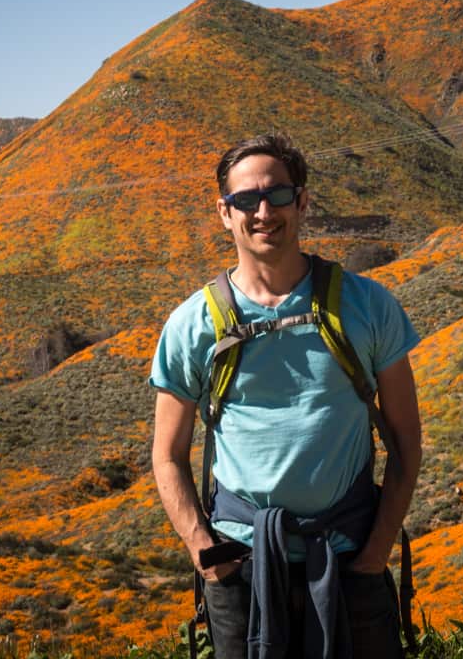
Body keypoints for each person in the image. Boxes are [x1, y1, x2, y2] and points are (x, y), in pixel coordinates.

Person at [150, 133, 422, 659]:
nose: (263, 212)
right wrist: (205, 553)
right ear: (224, 212)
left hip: (349, 559)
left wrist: (375, 553)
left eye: (277, 195)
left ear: (301, 202)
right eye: (246, 199)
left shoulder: (368, 305)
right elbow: (166, 455)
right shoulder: (191, 325)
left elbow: (407, 440)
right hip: (240, 569)